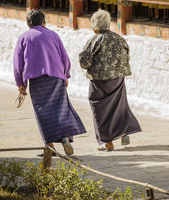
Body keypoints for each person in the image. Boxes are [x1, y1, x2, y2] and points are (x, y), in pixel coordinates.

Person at [13, 9, 86, 155]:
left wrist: (21, 84)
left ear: (28, 23)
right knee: (60, 109)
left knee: (43, 113)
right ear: (43, 22)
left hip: (37, 81)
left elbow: (18, 63)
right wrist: (65, 76)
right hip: (56, 77)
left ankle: (50, 146)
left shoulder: (24, 38)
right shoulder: (53, 35)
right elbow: (64, 58)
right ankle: (65, 139)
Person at [79, 10, 141, 151]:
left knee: (99, 109)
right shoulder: (119, 39)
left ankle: (107, 142)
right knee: (119, 106)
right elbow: (126, 57)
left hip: (99, 82)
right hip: (118, 79)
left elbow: (84, 62)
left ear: (96, 27)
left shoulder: (95, 40)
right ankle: (123, 131)